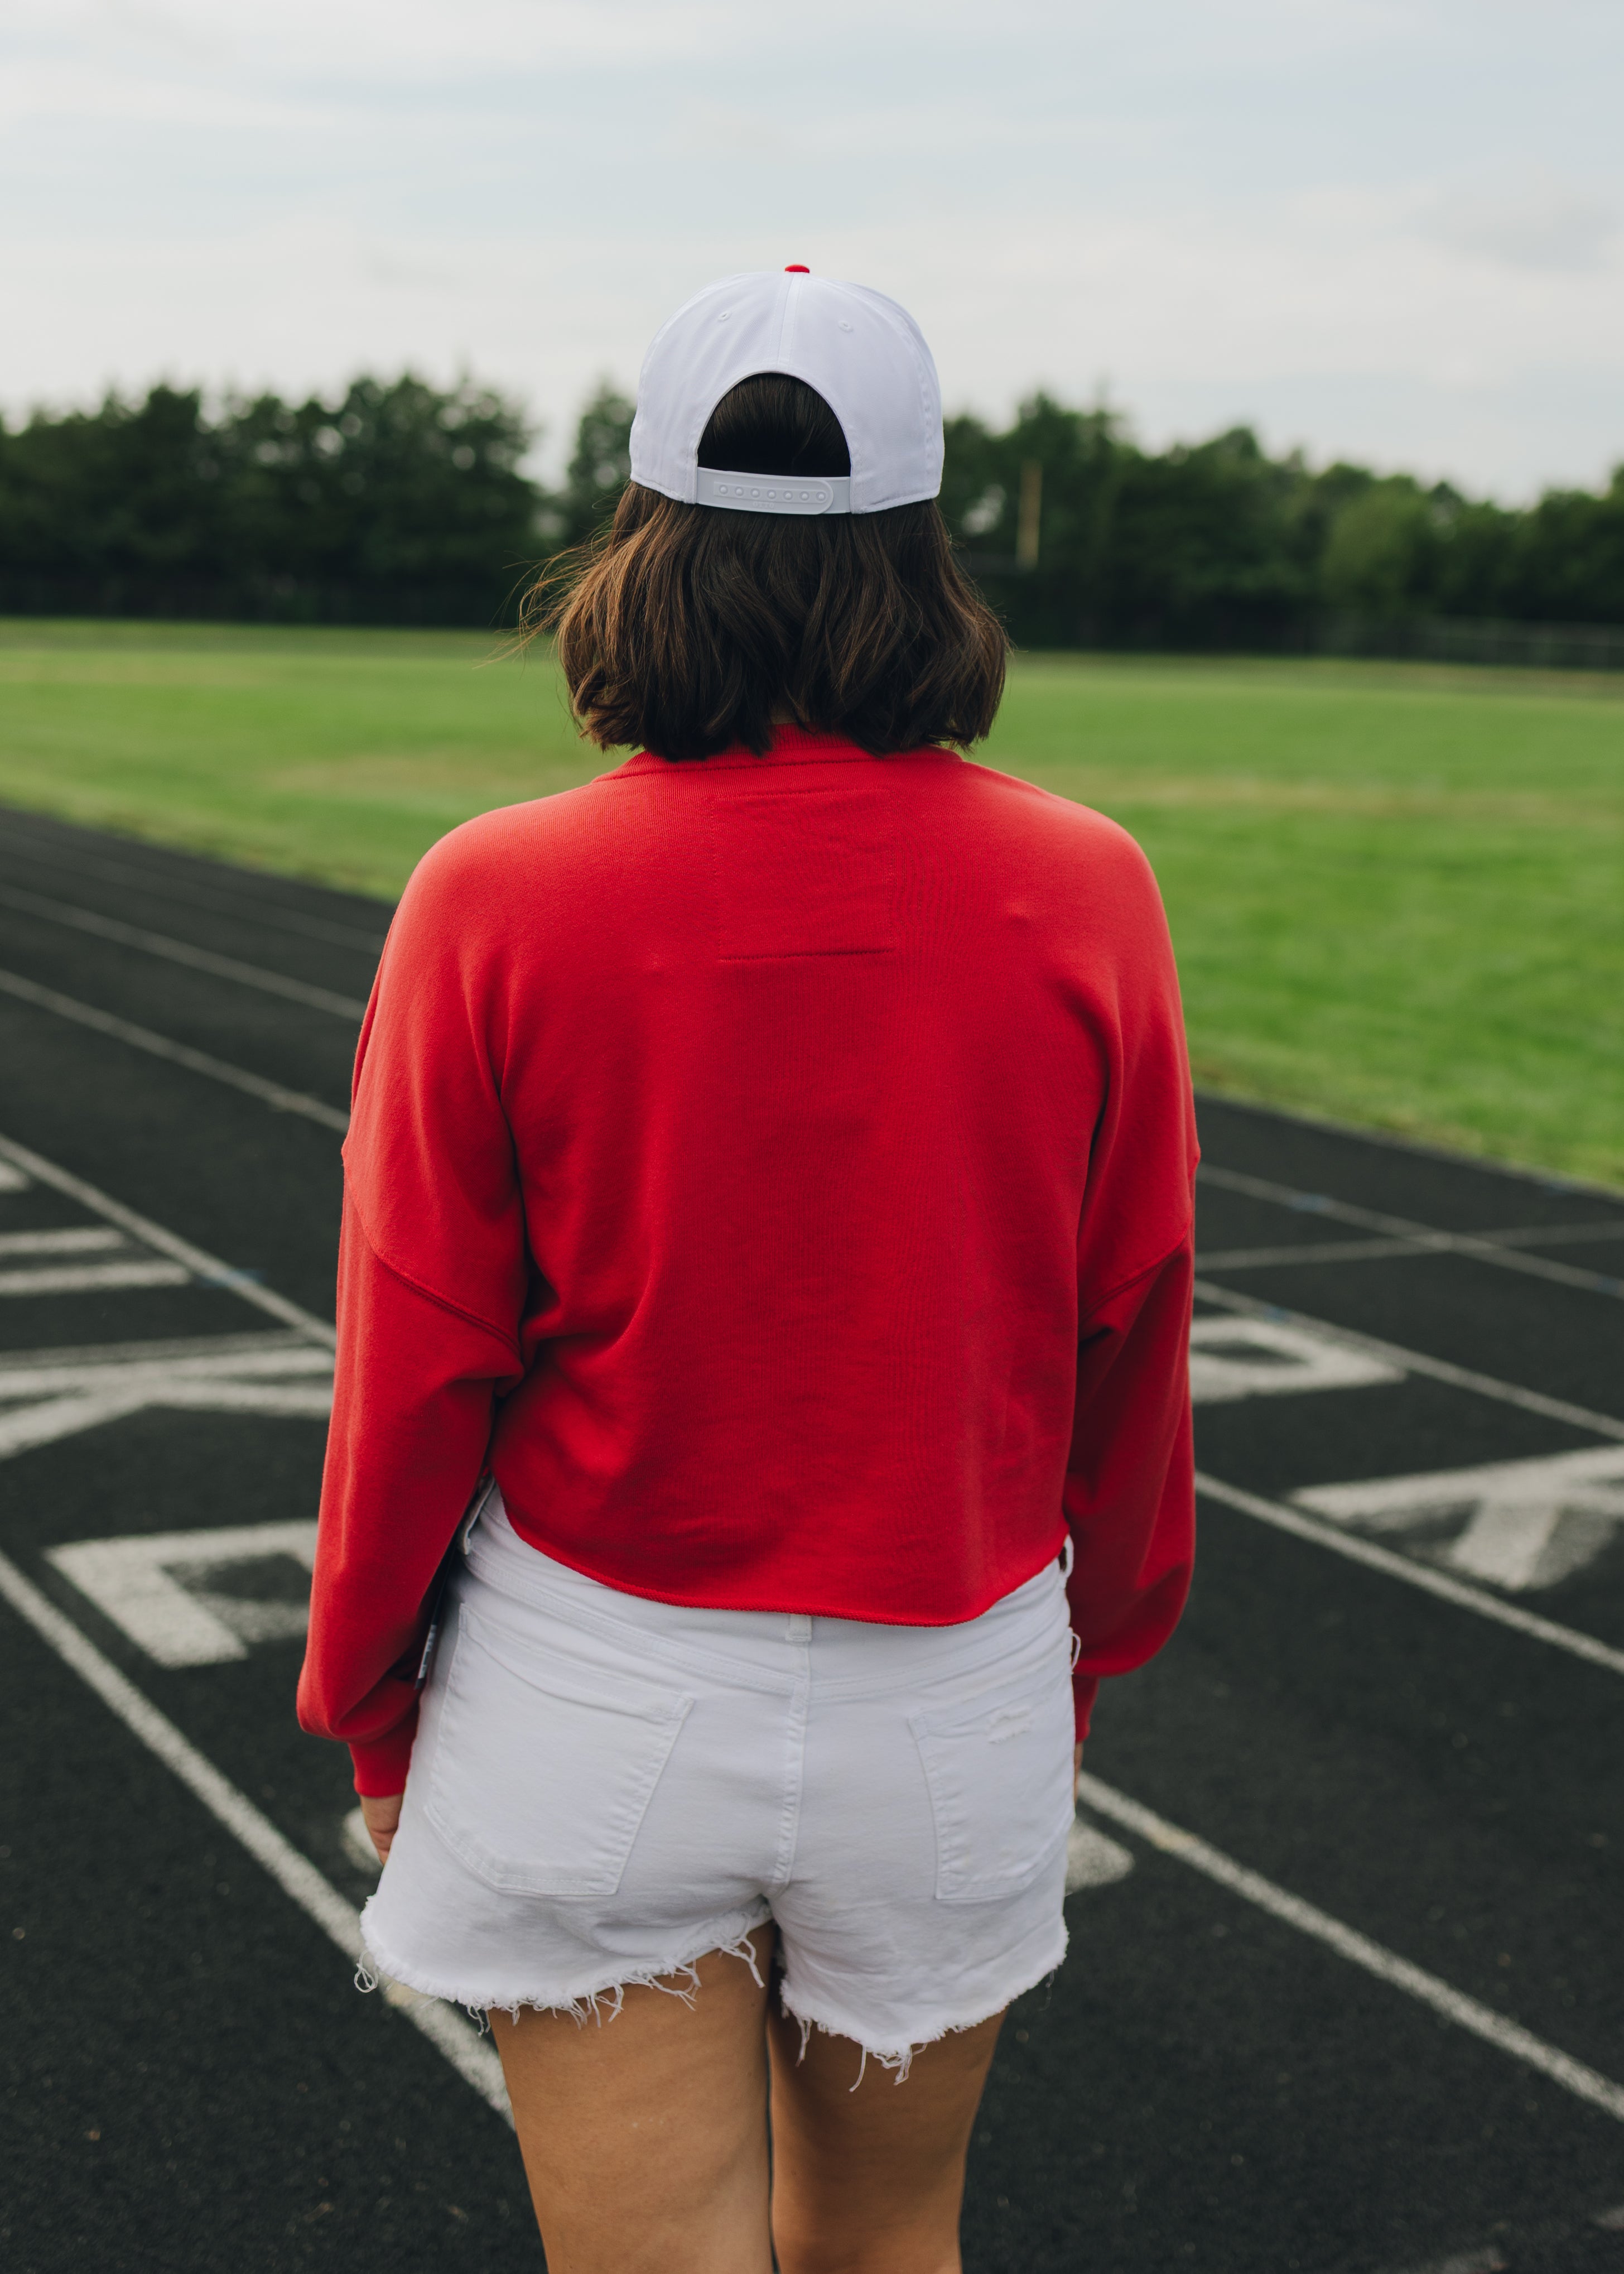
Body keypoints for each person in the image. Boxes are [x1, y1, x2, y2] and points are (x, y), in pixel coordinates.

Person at [298, 266, 1197, 2274]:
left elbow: (419, 1358)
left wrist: (371, 1704)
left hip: (594, 1684)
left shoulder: (492, 895)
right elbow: (1130, 1316)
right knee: (892, 2250)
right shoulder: (1091, 884)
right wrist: (1089, 1648)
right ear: (924, 549)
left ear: (643, 544)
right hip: (952, 1676)